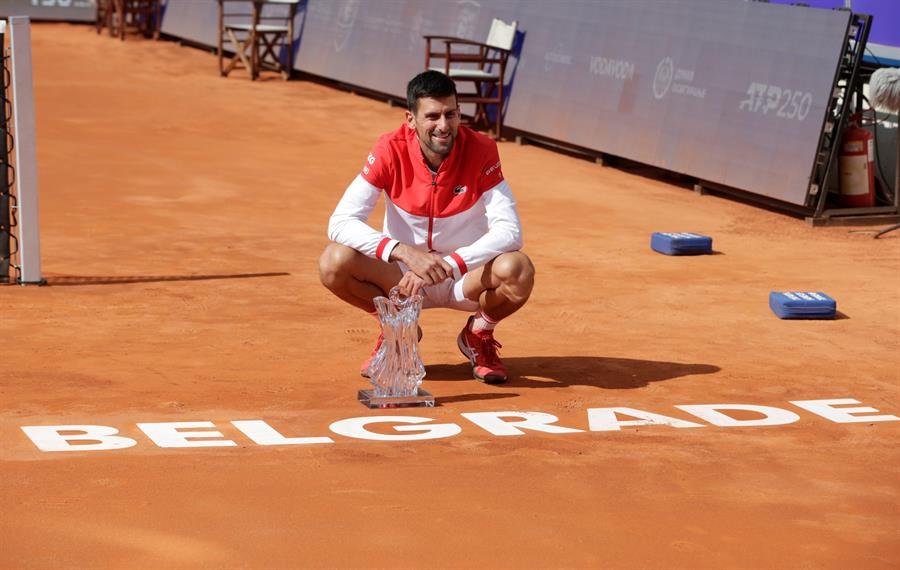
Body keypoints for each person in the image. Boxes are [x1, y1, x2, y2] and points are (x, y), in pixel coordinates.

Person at [319, 70, 534, 384]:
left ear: (460, 112)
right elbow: (340, 222)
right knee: (333, 263)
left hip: (464, 277)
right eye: (432, 116)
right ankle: (397, 329)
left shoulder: (482, 150)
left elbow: (510, 231)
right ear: (411, 119)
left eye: (451, 114)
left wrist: (448, 264)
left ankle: (479, 333)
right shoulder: (389, 149)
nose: (444, 126)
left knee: (519, 269)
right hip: (403, 282)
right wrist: (404, 253)